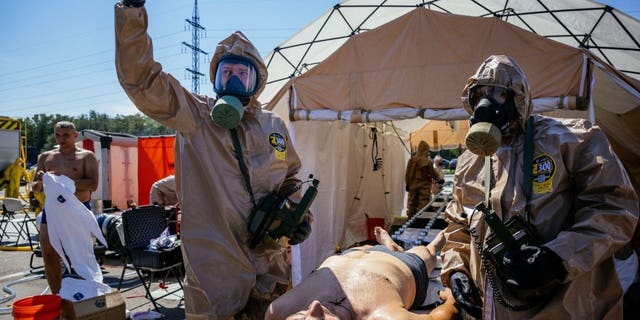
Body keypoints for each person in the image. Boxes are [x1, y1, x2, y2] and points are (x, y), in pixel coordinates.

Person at [115, 1, 313, 318]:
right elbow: (142, 80)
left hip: (270, 262)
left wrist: (299, 218)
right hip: (215, 272)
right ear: (215, 78)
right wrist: (131, 12)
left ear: (257, 81)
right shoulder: (195, 116)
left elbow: (291, 178)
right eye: (227, 72)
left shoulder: (273, 126)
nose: (233, 80)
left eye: (241, 73)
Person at [440, 55, 638, 319]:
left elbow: (616, 209)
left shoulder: (572, 140)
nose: (485, 104)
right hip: (495, 306)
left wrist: (558, 258)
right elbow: (458, 226)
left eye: (499, 93)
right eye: (480, 94)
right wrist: (456, 271)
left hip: (565, 303)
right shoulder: (470, 161)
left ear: (519, 98)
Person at [265, 226, 458, 320]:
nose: (313, 306)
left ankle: (389, 245)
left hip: (352, 254)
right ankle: (434, 245)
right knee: (426, 253)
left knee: (365, 246)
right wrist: (451, 298)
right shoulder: (381, 316)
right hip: (403, 266)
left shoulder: (279, 311)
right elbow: (436, 318)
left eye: (301, 317)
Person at [31, 121, 99, 294]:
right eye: (58, 135)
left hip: (77, 208)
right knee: (48, 252)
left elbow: (93, 184)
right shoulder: (46, 157)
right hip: (53, 209)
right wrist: (41, 180)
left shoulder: (86, 156)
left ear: (75, 135)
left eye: (66, 135)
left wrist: (62, 181)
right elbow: (36, 187)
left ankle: (88, 295)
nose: (62, 139)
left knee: (82, 256)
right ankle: (56, 296)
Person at [405, 141, 440, 218]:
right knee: (423, 205)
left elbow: (407, 173)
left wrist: (407, 184)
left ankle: (410, 221)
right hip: (424, 188)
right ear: (426, 150)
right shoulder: (427, 161)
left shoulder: (411, 160)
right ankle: (421, 222)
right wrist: (439, 179)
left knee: (412, 205)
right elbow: (433, 173)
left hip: (412, 186)